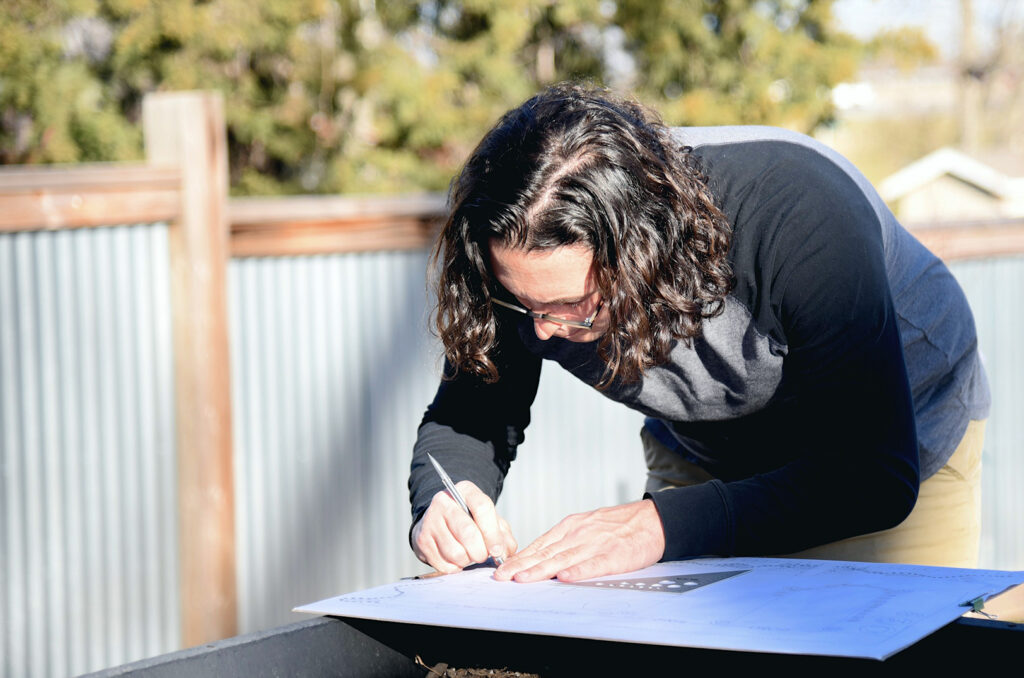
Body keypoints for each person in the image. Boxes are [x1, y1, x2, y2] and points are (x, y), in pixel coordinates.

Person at [407, 83, 990, 583]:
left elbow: (875, 476)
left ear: (645, 250)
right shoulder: (513, 258)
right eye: (524, 303)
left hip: (893, 437)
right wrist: (443, 500)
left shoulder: (800, 212)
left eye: (575, 305)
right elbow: (474, 411)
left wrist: (662, 525)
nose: (545, 329)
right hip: (709, 450)